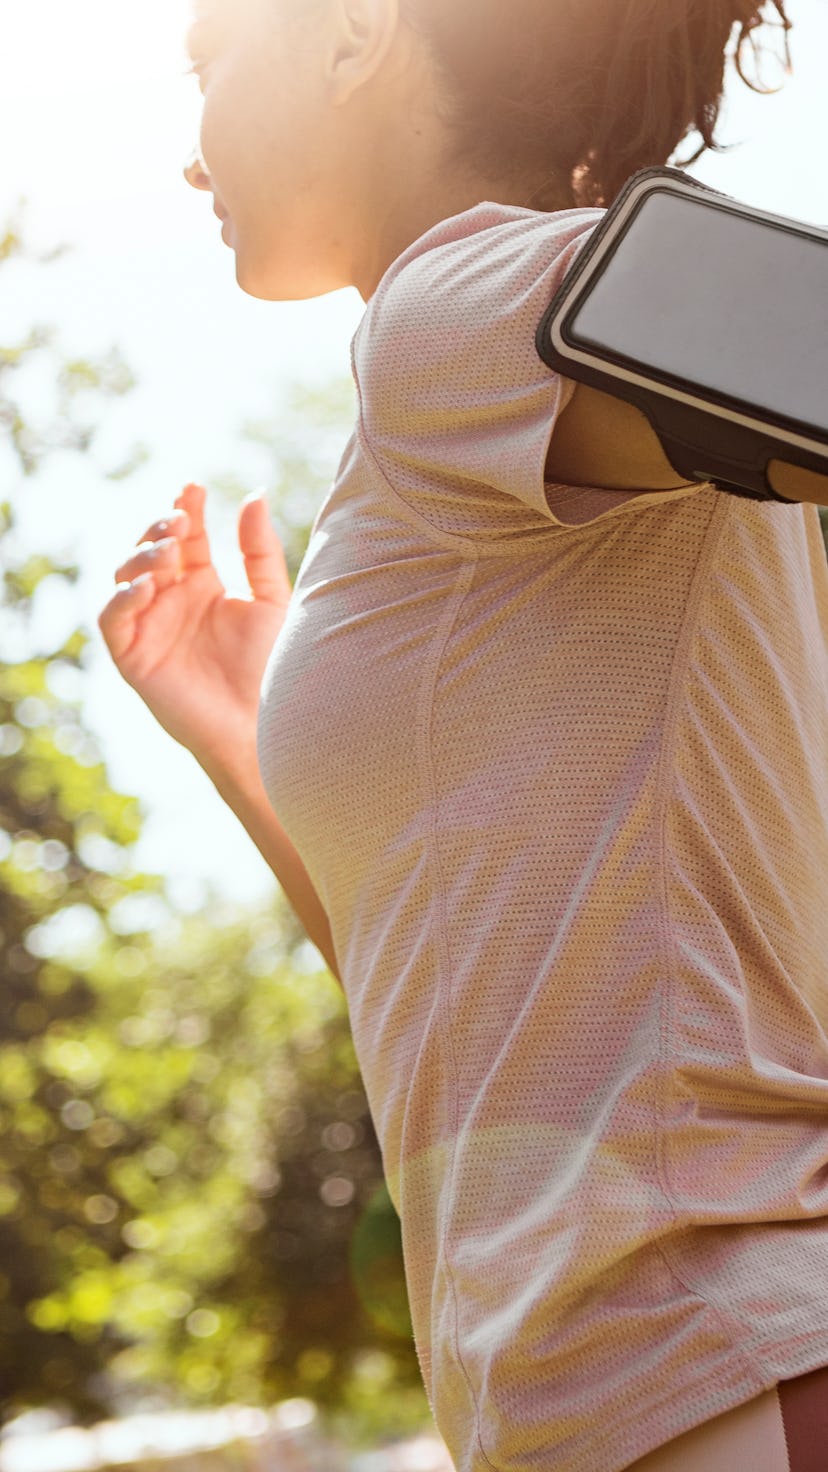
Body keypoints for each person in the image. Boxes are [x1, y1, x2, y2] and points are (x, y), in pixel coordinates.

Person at [98, 1, 828, 1467]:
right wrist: (248, 749)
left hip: (712, 1360)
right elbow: (457, 1000)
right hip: (655, 1383)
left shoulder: (446, 313)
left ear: (354, 32)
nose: (189, 155)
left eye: (206, 67)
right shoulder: (475, 411)